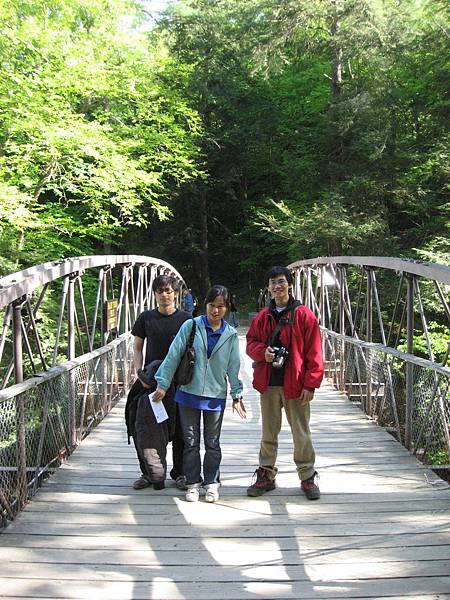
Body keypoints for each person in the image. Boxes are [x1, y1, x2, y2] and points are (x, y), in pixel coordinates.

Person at [153, 285, 247, 503]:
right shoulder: (191, 326)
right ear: (204, 304)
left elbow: (234, 366)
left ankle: (212, 482)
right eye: (212, 305)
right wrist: (163, 384)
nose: (215, 311)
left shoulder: (231, 335)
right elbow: (173, 355)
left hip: (215, 395)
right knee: (191, 441)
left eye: (221, 306)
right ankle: (193, 482)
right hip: (188, 392)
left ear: (227, 308)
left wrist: (237, 394)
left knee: (213, 442)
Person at [246, 266, 324, 500]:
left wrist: (311, 384)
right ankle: (266, 474)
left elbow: (315, 352)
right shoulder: (262, 317)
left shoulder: (304, 315)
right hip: (269, 383)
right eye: (272, 282)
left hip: (296, 384)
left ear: (289, 284)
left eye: (281, 281)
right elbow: (251, 343)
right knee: (268, 431)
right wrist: (263, 353)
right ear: (268, 287)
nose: (277, 286)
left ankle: (307, 476)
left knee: (301, 432)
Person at [125, 274, 191, 491]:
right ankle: (149, 473)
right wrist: (139, 373)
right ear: (154, 294)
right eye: (160, 291)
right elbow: (137, 347)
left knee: (181, 429)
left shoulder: (185, 320)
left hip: (179, 383)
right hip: (151, 382)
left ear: (176, 293)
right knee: (145, 429)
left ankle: (180, 472)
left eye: (169, 290)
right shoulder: (146, 318)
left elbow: (192, 353)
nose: (165, 295)